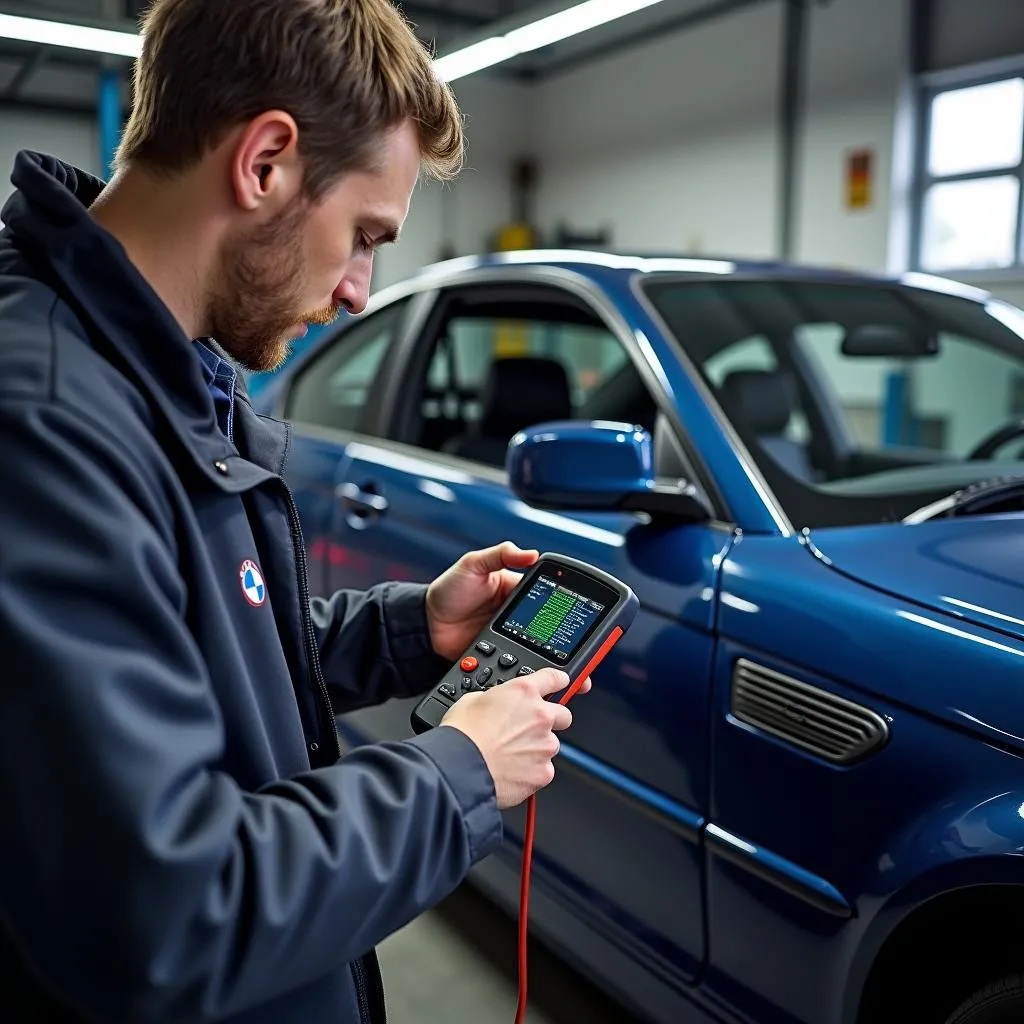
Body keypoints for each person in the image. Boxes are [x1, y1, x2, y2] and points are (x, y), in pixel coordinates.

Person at [0, 2, 590, 1022]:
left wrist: (409, 630)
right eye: (364, 236)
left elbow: (195, 655)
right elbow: (170, 908)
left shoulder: (157, 374)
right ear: (265, 161)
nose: (362, 289)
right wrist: (461, 769)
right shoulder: (46, 423)